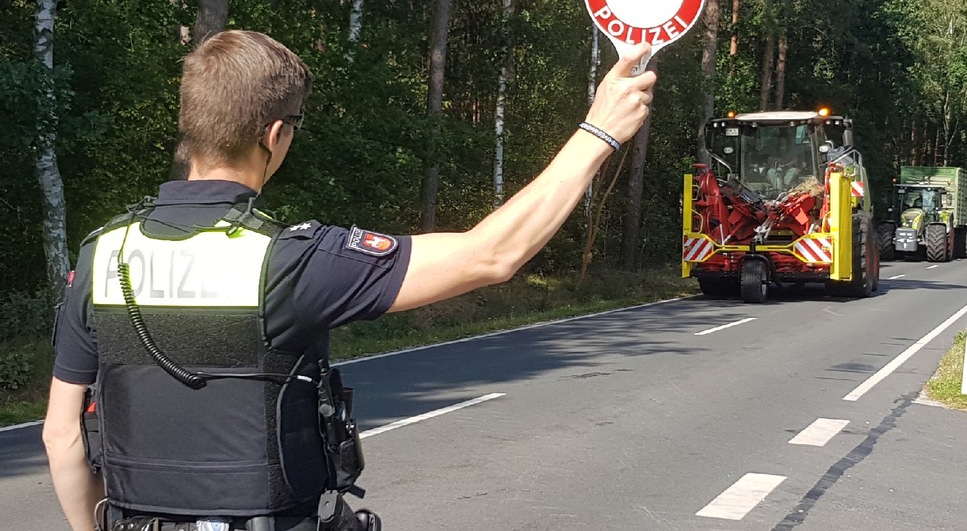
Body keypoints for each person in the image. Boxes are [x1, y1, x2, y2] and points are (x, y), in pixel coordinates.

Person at [42, 30, 655, 531]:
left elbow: (62, 435)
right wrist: (597, 131)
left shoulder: (104, 255)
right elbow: (490, 254)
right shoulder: (288, 261)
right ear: (275, 134)